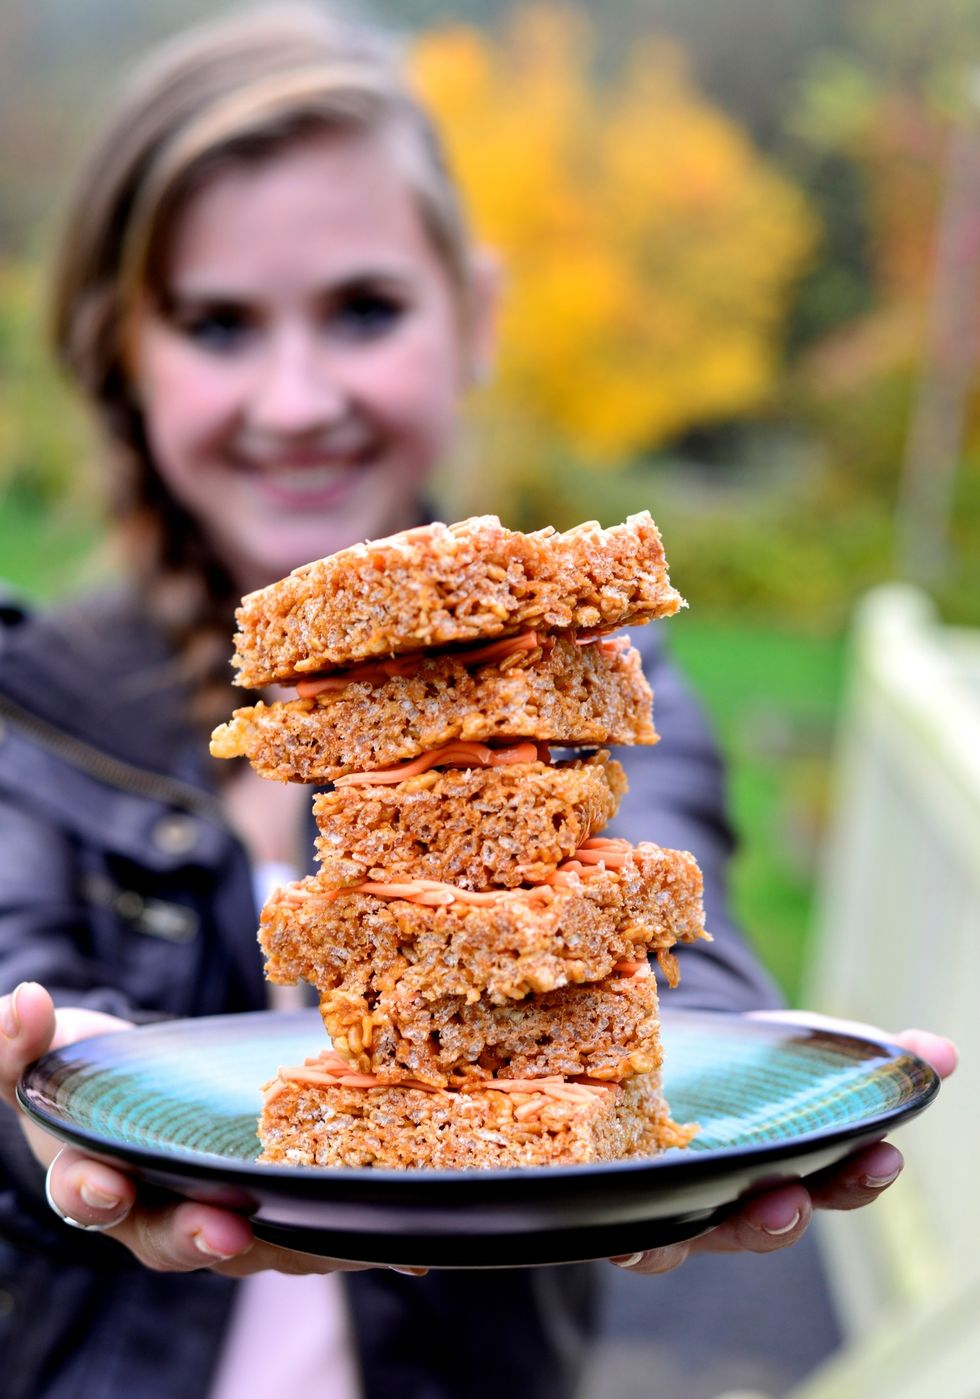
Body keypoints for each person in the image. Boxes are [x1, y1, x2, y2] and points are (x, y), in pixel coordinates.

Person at [0, 6, 957, 1398]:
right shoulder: (25, 699)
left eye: (365, 309)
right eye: (216, 325)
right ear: (119, 359)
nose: (296, 397)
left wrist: (740, 1089)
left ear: (479, 318)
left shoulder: (606, 670)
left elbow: (688, 954)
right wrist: (43, 1102)